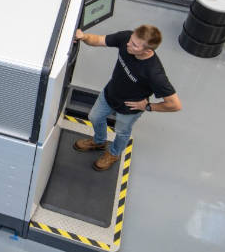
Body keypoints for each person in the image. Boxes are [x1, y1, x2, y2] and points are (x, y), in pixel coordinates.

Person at [73, 25, 181, 171]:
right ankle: (99, 142)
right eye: (131, 40)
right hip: (110, 93)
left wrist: (148, 106)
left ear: (147, 51)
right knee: (94, 117)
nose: (128, 44)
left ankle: (113, 154)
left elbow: (175, 104)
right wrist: (84, 37)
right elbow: (98, 40)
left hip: (129, 108)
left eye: (135, 45)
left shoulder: (154, 74)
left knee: (122, 132)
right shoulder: (127, 38)